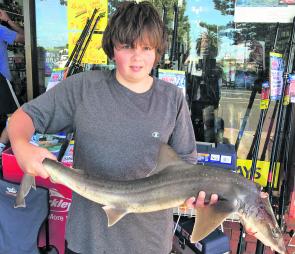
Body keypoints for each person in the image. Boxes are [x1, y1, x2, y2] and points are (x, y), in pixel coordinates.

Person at [8, 2, 217, 254]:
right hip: (88, 240)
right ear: (113, 48)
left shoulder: (172, 98)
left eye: (147, 47)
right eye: (127, 46)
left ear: (157, 50)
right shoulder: (82, 88)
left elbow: (185, 167)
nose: (137, 56)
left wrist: (200, 197)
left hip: (149, 242)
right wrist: (20, 145)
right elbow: (23, 117)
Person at [0, 9, 24, 155]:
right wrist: (8, 20)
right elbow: (25, 37)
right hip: (1, 80)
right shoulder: (1, 30)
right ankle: (2, 148)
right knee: (17, 116)